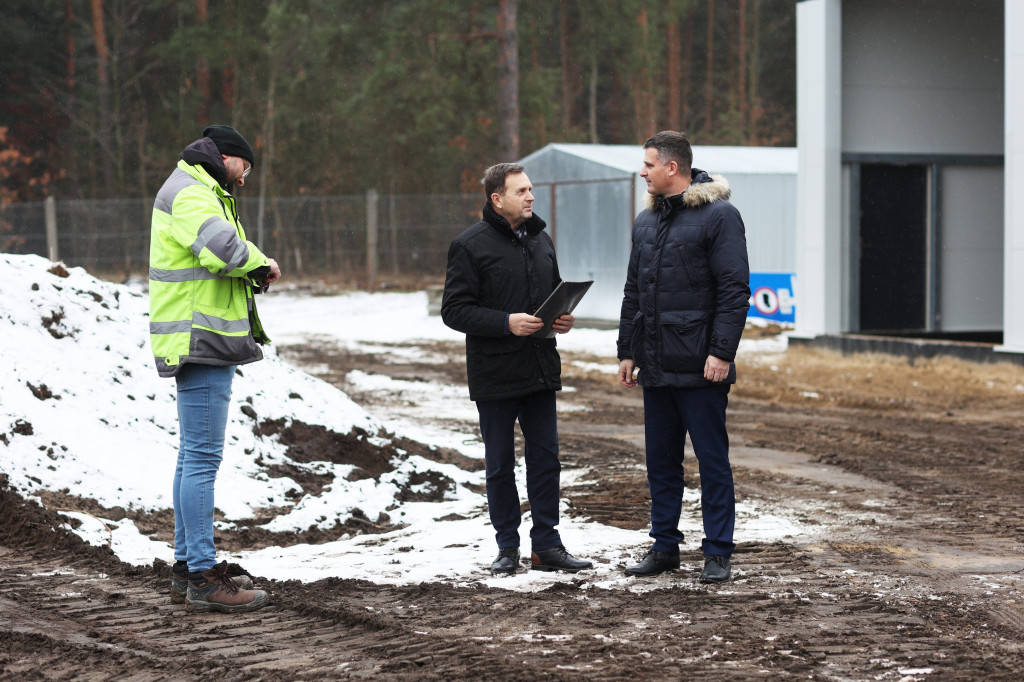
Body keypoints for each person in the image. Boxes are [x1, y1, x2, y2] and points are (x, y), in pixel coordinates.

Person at [149, 125, 280, 612]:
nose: (246, 175)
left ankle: (188, 568)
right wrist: (263, 263)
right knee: (202, 460)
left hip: (200, 337)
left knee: (192, 458)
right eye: (244, 164)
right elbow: (221, 247)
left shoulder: (197, 188)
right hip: (199, 340)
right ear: (226, 157)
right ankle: (203, 576)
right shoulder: (190, 192)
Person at [441, 162, 593, 576]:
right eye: (521, 191)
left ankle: (547, 545)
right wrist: (506, 322)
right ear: (497, 199)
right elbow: (454, 311)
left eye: (531, 190)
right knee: (500, 463)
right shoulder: (469, 245)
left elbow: (553, 294)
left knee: (546, 460)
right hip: (495, 373)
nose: (530, 196)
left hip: (541, 368)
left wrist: (562, 317)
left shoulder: (541, 240)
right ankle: (507, 547)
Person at [617, 131, 750, 583]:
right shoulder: (645, 222)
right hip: (655, 365)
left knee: (711, 461)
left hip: (701, 365)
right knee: (661, 461)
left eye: (649, 164)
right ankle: (665, 547)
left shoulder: (720, 217)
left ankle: (717, 552)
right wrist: (627, 352)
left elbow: (734, 290)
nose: (643, 172)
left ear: (672, 168)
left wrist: (721, 352)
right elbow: (634, 290)